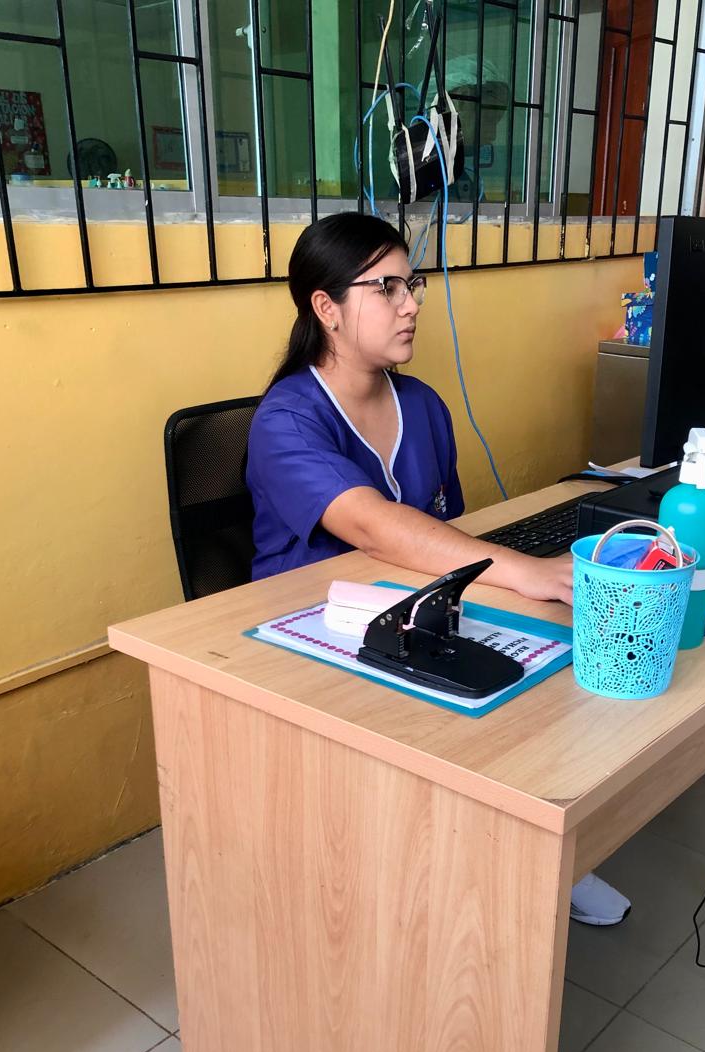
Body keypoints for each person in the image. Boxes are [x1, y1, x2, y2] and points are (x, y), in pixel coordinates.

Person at [246, 211, 630, 928]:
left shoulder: (421, 404)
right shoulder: (285, 420)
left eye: (411, 284)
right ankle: (458, 875)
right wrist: (524, 570)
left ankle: (539, 856)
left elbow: (439, 533)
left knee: (538, 665)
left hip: (408, 608)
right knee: (491, 678)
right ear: (326, 308)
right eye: (387, 288)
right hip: (316, 638)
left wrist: (521, 576)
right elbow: (372, 526)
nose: (411, 305)